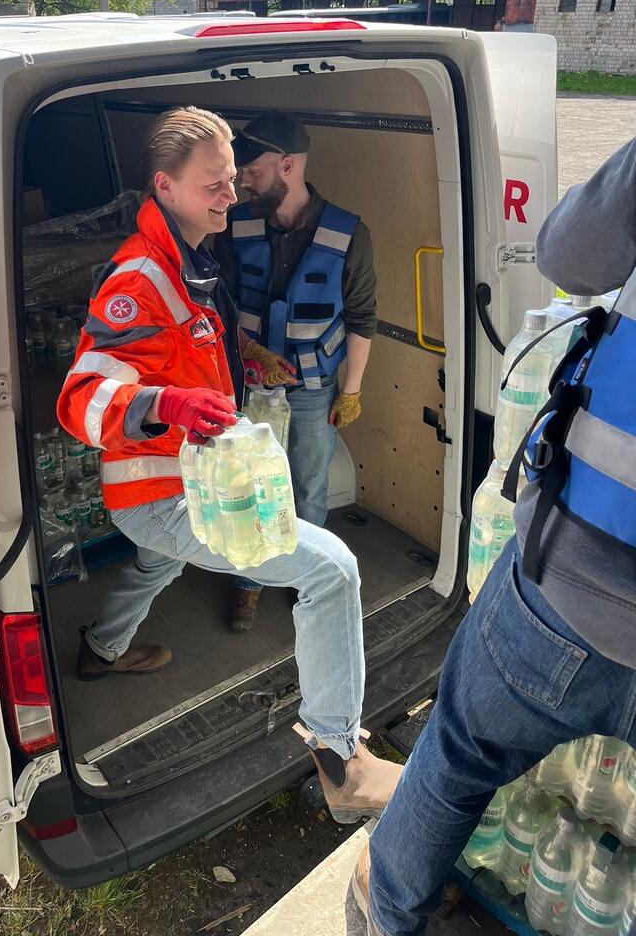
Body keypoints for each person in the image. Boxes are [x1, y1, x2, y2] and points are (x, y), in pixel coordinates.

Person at [57, 105, 401, 816]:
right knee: (332, 569)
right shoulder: (139, 279)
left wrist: (243, 355)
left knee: (160, 564)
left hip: (179, 486)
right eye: (213, 182)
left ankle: (102, 649)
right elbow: (80, 399)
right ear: (165, 185)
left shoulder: (190, 262)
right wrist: (166, 403)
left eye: (231, 178)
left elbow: (187, 344)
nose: (230, 192)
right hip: (162, 492)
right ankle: (341, 762)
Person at [347, 138, 636, 935]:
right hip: (583, 578)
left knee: (460, 753)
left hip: (576, 584)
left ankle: (389, 918)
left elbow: (569, 255)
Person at [212, 110, 377, 632]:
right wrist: (250, 352)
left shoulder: (349, 233)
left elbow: (362, 317)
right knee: (249, 483)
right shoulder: (234, 225)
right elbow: (219, 306)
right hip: (249, 384)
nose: (241, 180)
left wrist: (351, 391)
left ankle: (305, 575)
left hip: (313, 389)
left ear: (288, 165)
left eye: (251, 169)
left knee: (307, 485)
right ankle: (248, 581)